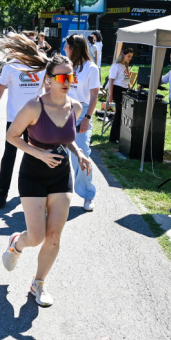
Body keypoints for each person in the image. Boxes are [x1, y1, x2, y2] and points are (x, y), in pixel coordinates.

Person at [0, 34, 92, 308]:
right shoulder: (33, 106)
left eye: (71, 78)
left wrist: (79, 153)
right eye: (63, 78)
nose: (68, 83)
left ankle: (38, 284)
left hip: (61, 175)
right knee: (36, 236)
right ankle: (17, 243)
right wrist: (39, 153)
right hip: (33, 175)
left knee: (54, 236)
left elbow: (66, 137)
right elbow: (12, 137)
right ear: (49, 80)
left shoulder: (74, 107)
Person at [0, 34, 46, 208]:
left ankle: (8, 194)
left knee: (16, 155)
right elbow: (0, 90)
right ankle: (9, 193)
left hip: (27, 119)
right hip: (25, 119)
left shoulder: (39, 65)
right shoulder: (23, 66)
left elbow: (49, 89)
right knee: (28, 155)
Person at [65, 35, 100, 211]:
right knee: (55, 153)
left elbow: (94, 96)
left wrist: (87, 117)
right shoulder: (67, 65)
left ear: (74, 48)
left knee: (81, 154)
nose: (65, 49)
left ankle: (87, 195)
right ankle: (56, 195)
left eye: (67, 47)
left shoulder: (91, 68)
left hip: (82, 113)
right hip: (63, 110)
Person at [106, 47, 134, 143]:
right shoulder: (116, 66)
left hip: (124, 90)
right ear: (123, 55)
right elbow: (111, 81)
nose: (130, 58)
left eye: (131, 57)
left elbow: (127, 80)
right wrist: (110, 95)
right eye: (128, 56)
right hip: (117, 90)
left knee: (120, 113)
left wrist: (130, 88)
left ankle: (115, 137)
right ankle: (114, 137)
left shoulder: (125, 66)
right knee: (121, 113)